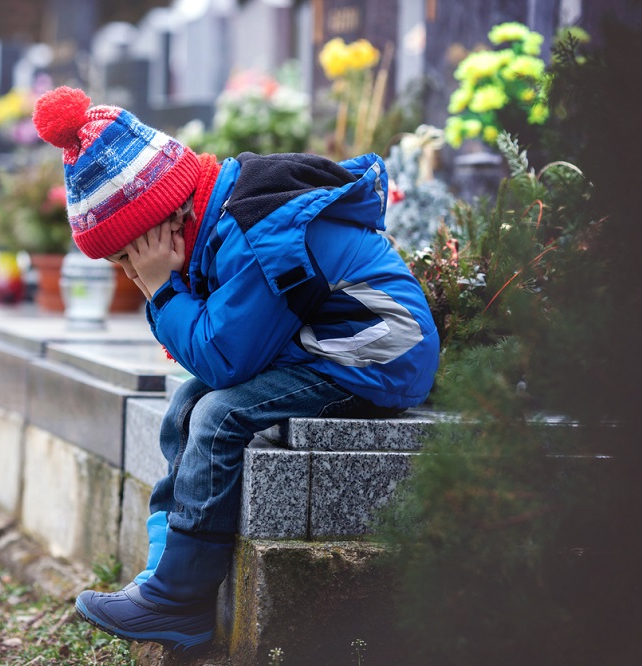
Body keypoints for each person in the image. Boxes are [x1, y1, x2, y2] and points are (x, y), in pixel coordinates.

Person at [32, 86, 440, 653]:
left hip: (372, 354)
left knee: (220, 414)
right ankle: (162, 575)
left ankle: (179, 604)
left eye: (127, 254)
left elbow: (223, 361)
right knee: (186, 405)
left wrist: (160, 288)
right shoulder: (218, 218)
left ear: (164, 220)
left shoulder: (251, 234)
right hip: (318, 344)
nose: (128, 271)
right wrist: (164, 285)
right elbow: (221, 349)